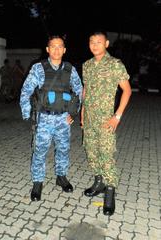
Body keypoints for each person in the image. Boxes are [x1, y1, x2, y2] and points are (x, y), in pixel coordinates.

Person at [20, 35, 83, 201]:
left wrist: (73, 113)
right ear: (47, 49)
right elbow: (26, 91)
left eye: (59, 46)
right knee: (40, 151)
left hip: (63, 119)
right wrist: (28, 113)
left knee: (63, 149)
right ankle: (37, 182)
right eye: (53, 46)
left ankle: (61, 177)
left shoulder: (70, 69)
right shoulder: (38, 68)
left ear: (64, 50)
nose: (56, 49)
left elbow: (79, 91)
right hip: (44, 119)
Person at [81, 30, 132, 216]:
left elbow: (127, 91)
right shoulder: (86, 65)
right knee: (91, 151)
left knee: (106, 154)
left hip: (106, 120)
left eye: (99, 42)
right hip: (89, 120)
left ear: (107, 44)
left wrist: (117, 116)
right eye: (91, 42)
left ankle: (110, 190)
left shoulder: (115, 64)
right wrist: (82, 113)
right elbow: (86, 90)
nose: (95, 45)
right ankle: (99, 182)